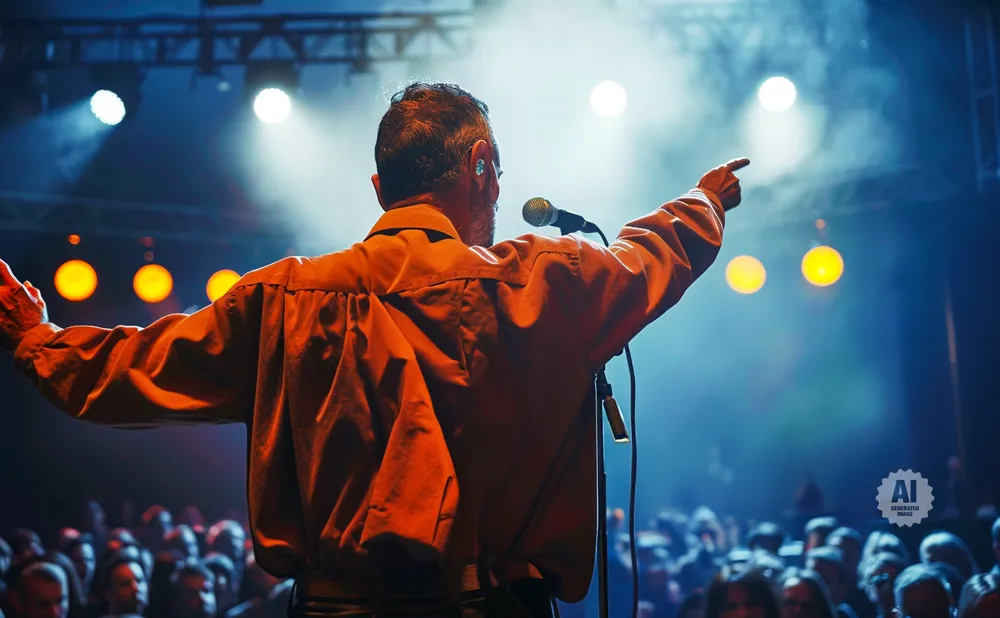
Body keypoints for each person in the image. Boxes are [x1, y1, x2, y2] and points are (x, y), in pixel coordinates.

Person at [0, 81, 750, 617]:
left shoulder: (285, 298)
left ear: (379, 185)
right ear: (481, 165)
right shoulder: (540, 281)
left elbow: (133, 369)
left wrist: (38, 339)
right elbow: (647, 258)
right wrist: (703, 201)